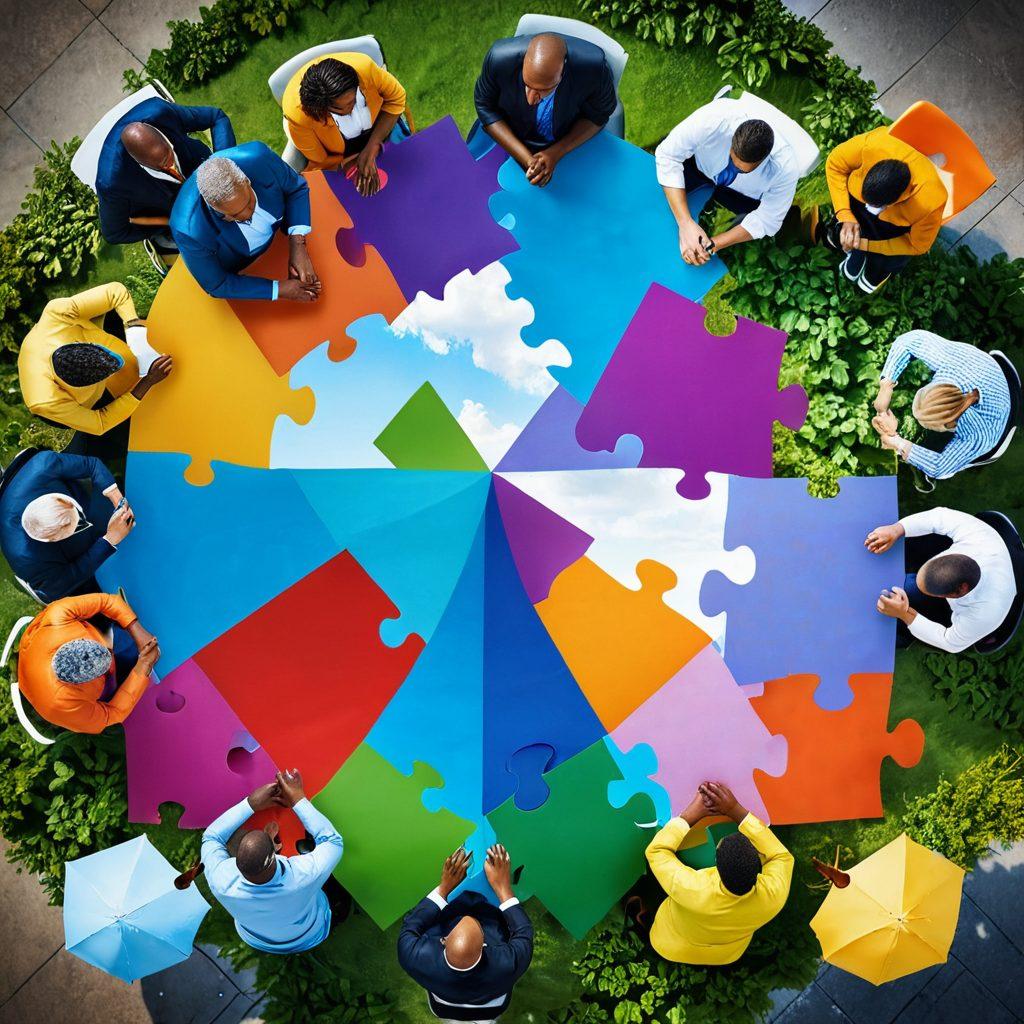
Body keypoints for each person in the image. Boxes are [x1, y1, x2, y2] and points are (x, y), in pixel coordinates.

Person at [644, 782, 793, 965]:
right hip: (725, 954)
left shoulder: (692, 888)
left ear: (716, 864)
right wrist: (733, 808)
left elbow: (656, 851)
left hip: (670, 944)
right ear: (758, 867)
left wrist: (690, 816)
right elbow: (781, 856)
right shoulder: (774, 896)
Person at [17, 283, 172, 455]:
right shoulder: (46, 401)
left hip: (78, 336)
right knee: (130, 432)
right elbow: (100, 423)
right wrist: (147, 382)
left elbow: (115, 292)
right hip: (77, 405)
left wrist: (135, 333)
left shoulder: (57, 314)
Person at [202, 770, 345, 954]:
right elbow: (333, 841)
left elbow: (211, 837)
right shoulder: (305, 876)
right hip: (311, 932)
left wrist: (251, 804)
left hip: (259, 940)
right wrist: (297, 799)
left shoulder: (220, 881)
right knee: (334, 893)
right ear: (276, 848)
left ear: (235, 862)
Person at [654, 98, 800, 266]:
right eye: (732, 158)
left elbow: (768, 220)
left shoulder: (785, 169)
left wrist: (712, 245)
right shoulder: (714, 118)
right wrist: (685, 223)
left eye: (743, 170)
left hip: (741, 195)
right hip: (698, 166)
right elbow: (668, 155)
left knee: (769, 215)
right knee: (658, 202)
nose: (734, 168)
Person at [398, 845, 533, 1022]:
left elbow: (411, 924)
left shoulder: (413, 956)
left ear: (444, 940)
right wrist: (502, 887)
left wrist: (445, 887)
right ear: (484, 944)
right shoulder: (507, 965)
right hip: (491, 1007)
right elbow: (524, 931)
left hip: (443, 1004)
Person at [170, 143, 320, 302]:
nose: (248, 215)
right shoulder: (188, 231)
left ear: (247, 181)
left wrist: (298, 244)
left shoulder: (260, 158)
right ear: (214, 209)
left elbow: (296, 189)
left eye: (249, 203)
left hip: (282, 241)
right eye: (234, 215)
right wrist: (279, 289)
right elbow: (217, 284)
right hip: (251, 268)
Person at [473, 32, 616, 187]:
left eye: (543, 90)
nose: (530, 99)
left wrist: (556, 152)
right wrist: (528, 160)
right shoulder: (498, 59)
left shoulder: (594, 69)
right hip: (512, 134)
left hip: (566, 139)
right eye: (527, 84)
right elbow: (484, 107)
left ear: (563, 73)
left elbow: (599, 114)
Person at [866, 507, 1016, 652]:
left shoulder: (982, 614)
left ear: (953, 595)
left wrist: (904, 613)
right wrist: (896, 529)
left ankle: (901, 636)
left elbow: (949, 642)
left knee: (908, 591)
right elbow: (938, 517)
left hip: (980, 611)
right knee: (909, 580)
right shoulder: (978, 536)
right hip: (991, 554)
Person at [871, 329, 1013, 482]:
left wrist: (897, 443)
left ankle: (924, 475)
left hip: (1003, 422)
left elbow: (939, 467)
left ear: (950, 424)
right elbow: (910, 340)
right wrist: (886, 386)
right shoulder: (950, 363)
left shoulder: (978, 435)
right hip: (992, 369)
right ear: (937, 387)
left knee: (946, 472)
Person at [820, 125, 947, 295]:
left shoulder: (931, 199)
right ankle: (853, 259)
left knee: (878, 269)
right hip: (855, 207)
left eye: (878, 206)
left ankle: (870, 280)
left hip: (894, 231)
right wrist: (845, 214)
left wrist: (864, 244)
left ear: (902, 196)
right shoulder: (873, 143)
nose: (869, 209)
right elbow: (835, 163)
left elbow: (917, 245)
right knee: (851, 230)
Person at [96, 98, 236, 247]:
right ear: (139, 163)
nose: (172, 166)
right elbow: (114, 234)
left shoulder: (161, 112)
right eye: (164, 166)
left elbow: (216, 117)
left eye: (169, 154)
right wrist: (167, 223)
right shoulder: (111, 182)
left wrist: (221, 166)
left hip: (205, 167)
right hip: (176, 212)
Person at [0, 449, 135, 602]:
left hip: (85, 501)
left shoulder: (43, 465)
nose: (81, 523)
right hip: (76, 560)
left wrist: (118, 501)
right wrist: (109, 540)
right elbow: (58, 588)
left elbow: (91, 464)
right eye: (73, 527)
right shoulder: (28, 559)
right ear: (49, 540)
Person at [16, 592, 160, 734]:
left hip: (32, 655)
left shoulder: (58, 616)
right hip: (47, 694)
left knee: (125, 643)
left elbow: (106, 601)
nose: (111, 653)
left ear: (80, 640)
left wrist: (135, 628)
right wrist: (144, 667)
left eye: (108, 651)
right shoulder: (65, 706)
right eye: (104, 669)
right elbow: (112, 713)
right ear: (79, 683)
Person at [282, 52, 407, 192]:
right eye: (337, 108)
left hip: (380, 129)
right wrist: (350, 164)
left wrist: (372, 146)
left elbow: (396, 100)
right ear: (320, 108)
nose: (349, 110)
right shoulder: (299, 116)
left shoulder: (366, 69)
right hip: (339, 157)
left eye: (352, 101)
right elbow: (321, 159)